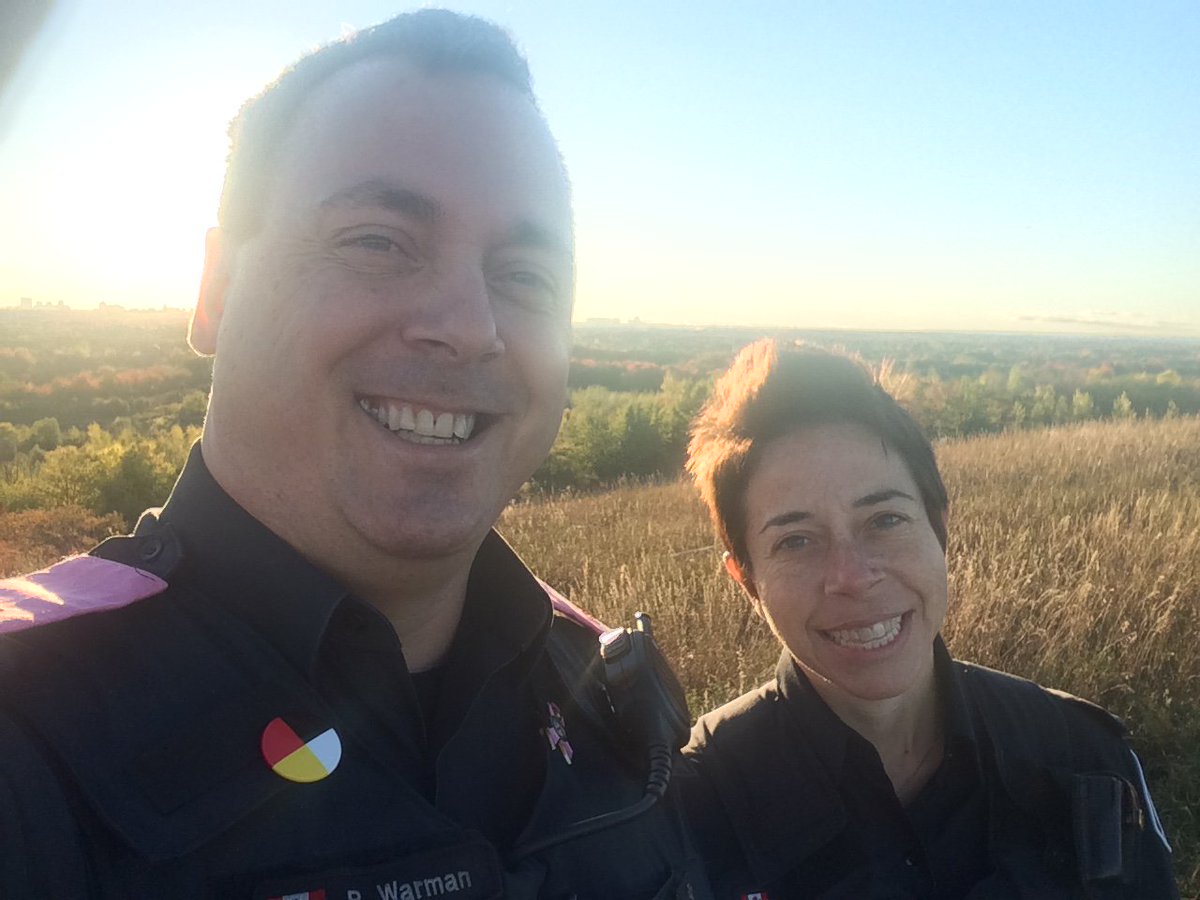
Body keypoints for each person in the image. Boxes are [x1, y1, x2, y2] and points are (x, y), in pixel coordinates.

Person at [0, 11, 709, 899]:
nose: (468, 327)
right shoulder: (26, 731)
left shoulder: (607, 692)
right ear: (217, 291)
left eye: (524, 275)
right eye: (378, 241)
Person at [679, 339, 1178, 898]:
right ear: (747, 580)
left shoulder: (1083, 760)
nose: (852, 575)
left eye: (885, 520)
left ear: (939, 530)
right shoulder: (690, 806)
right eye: (796, 540)